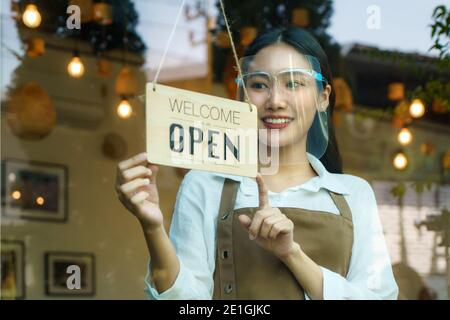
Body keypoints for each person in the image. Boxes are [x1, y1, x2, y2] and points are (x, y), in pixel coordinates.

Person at [115, 27, 398, 300]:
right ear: (242, 95)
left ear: (323, 98)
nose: (275, 100)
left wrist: (291, 254)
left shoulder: (354, 194)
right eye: (260, 84)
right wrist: (153, 228)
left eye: (294, 83)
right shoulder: (205, 182)